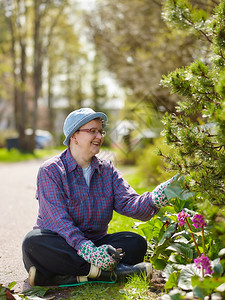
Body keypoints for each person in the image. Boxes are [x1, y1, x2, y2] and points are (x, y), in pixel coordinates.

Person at [22, 107, 176, 287]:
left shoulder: (107, 171)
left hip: (97, 243)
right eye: (92, 131)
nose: (99, 137)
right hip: (60, 243)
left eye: (100, 131)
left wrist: (157, 197)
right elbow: (59, 221)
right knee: (32, 242)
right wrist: (87, 250)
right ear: (74, 136)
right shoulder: (51, 170)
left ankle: (63, 276)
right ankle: (110, 272)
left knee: (136, 243)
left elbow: (130, 203)